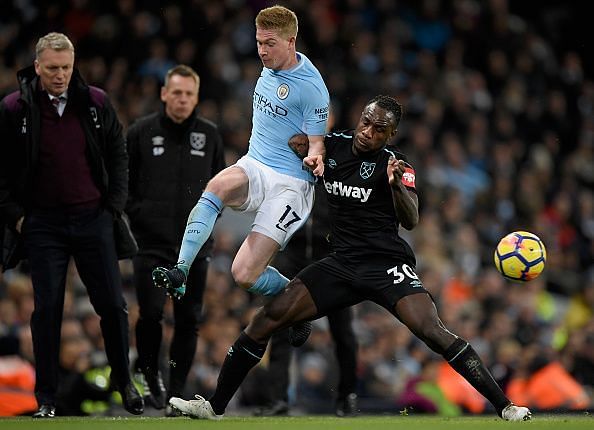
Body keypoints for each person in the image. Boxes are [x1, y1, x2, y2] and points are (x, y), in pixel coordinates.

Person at [167, 95, 532, 421]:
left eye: (379, 129)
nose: (368, 132)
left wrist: (394, 188)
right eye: (366, 122)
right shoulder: (332, 146)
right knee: (267, 318)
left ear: (391, 136)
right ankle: (213, 406)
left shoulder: (397, 164)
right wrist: (297, 158)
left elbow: (412, 219)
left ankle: (506, 406)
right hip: (341, 263)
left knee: (431, 331)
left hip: (386, 265)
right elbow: (292, 143)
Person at [152, 5, 329, 346]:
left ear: (291, 42)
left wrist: (315, 159)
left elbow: (317, 143)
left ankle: (299, 304)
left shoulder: (312, 90)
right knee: (216, 186)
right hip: (257, 163)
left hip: (291, 185)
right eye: (259, 42)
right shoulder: (268, 66)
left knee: (243, 274)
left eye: (270, 43)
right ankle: (181, 270)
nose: (262, 50)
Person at [0, 32, 143, 417]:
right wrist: (16, 216)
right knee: (47, 311)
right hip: (42, 223)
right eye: (52, 69)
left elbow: (118, 153)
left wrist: (113, 207)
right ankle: (46, 398)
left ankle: (123, 382)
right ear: (37, 67)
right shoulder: (14, 108)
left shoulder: (94, 102)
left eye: (66, 67)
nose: (60, 75)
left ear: (73, 65)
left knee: (113, 305)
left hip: (92, 217)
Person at [125, 64, 226, 414]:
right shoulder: (140, 132)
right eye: (177, 92)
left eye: (189, 94)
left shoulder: (210, 135)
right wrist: (139, 215)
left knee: (188, 321)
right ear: (164, 94)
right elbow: (123, 183)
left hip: (194, 248)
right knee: (151, 314)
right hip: (151, 245)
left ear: (196, 97)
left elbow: (221, 188)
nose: (183, 99)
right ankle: (152, 378)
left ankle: (176, 395)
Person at [254, 170, 358, 418]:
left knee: (343, 330)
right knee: (278, 326)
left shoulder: (337, 166)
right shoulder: (288, 166)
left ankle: (347, 396)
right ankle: (278, 399)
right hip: (292, 255)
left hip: (330, 257)